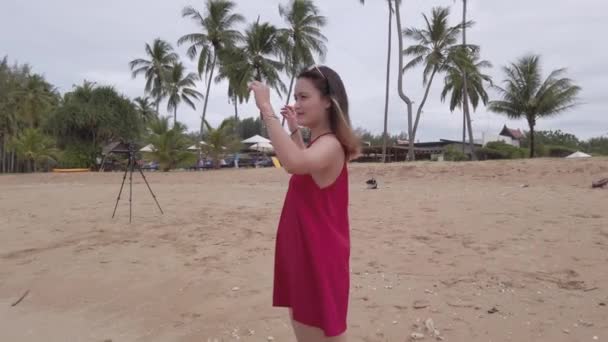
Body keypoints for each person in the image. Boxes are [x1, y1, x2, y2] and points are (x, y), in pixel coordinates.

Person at [249, 65, 360, 342]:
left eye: (303, 97)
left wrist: (266, 108)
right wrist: (294, 131)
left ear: (327, 101)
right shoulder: (320, 143)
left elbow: (295, 162)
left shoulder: (332, 145)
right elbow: (300, 165)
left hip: (317, 255)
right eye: (295, 97)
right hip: (305, 250)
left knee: (316, 332)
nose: (296, 104)